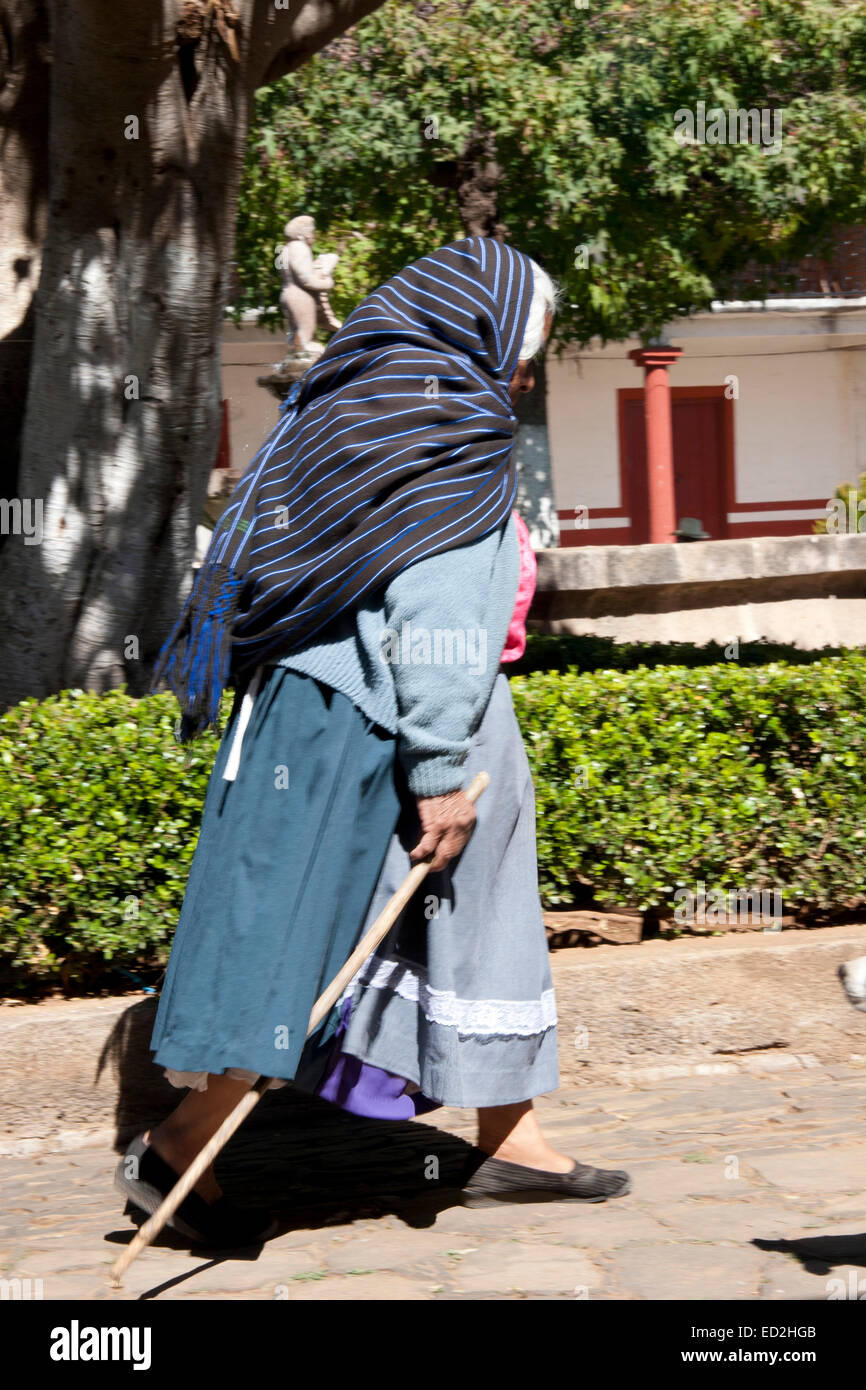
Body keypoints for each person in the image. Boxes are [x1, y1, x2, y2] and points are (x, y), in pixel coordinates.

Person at [116, 237, 630, 1246]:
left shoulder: (349, 399)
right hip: (374, 713)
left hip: (305, 703)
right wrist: (440, 769)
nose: (520, 370)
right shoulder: (451, 420)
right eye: (525, 345)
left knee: (453, 918)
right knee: (304, 938)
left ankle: (506, 1128)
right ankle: (181, 1142)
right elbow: (432, 604)